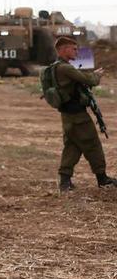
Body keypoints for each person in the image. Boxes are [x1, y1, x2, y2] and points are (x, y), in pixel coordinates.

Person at [48, 36, 116, 192]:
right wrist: (97, 75)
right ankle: (102, 178)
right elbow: (88, 80)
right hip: (78, 116)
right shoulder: (65, 68)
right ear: (63, 50)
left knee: (72, 146)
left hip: (68, 116)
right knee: (93, 145)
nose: (77, 51)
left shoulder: (57, 67)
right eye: (74, 48)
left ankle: (65, 181)